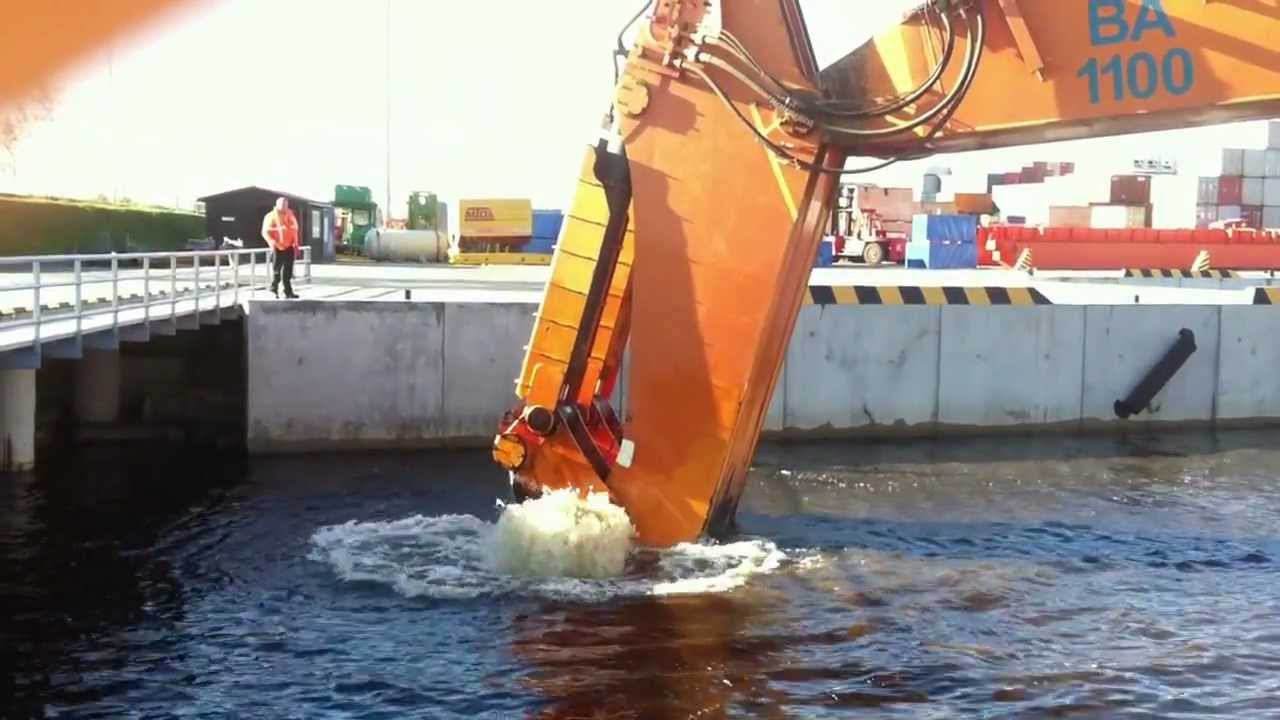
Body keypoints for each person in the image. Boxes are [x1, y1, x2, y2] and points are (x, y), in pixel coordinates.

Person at [261, 197, 300, 299]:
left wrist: (296, 244)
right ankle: (273, 289)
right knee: (277, 270)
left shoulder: (291, 215)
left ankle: (288, 292)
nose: (284, 206)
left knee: (288, 271)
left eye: (286, 204)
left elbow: (295, 230)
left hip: (289, 246)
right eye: (282, 204)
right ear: (277, 205)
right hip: (277, 247)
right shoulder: (270, 216)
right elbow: (265, 232)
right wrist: (272, 242)